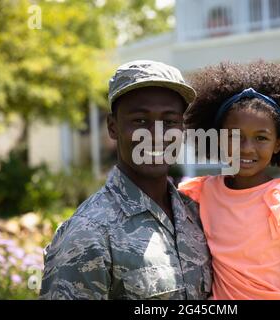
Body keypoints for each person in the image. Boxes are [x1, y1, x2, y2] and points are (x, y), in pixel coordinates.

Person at [40, 60, 212, 300]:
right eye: (140, 121)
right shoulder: (87, 234)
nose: (155, 136)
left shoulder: (197, 214)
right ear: (113, 127)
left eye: (170, 122)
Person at [178, 60, 280, 300]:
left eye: (261, 138)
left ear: (279, 144)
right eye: (235, 137)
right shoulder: (201, 193)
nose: (246, 149)